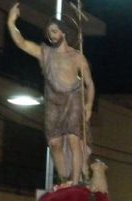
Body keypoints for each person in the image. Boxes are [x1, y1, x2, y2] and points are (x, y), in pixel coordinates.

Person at [7, 2, 95, 186]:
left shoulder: (77, 57)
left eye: (54, 31)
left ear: (63, 33)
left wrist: (88, 105)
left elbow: (89, 84)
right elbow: (22, 43)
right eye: (49, 32)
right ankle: (65, 177)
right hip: (53, 101)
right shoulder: (45, 53)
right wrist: (11, 22)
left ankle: (76, 180)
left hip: (73, 99)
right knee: (54, 143)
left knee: (73, 139)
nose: (51, 35)